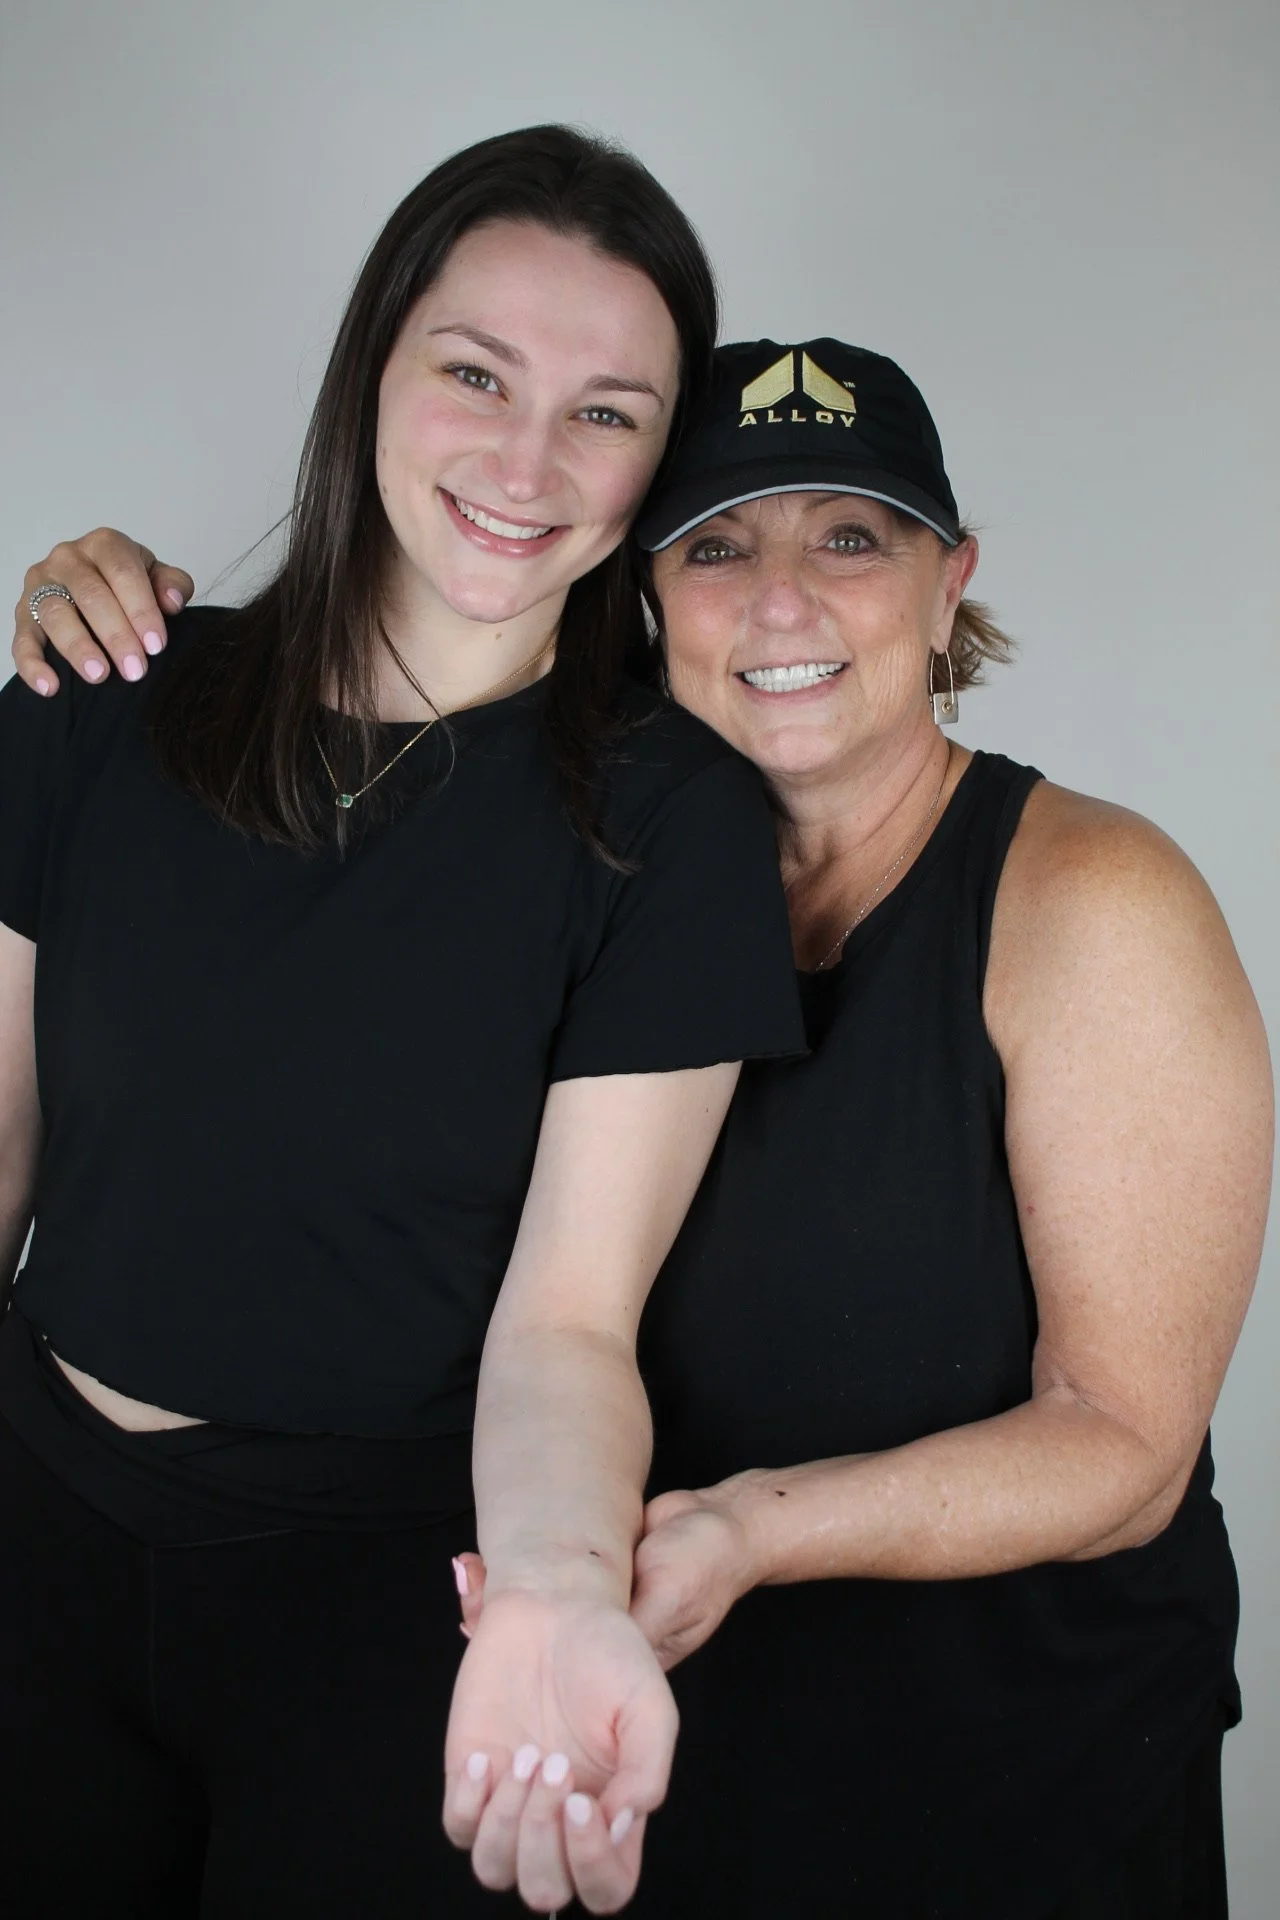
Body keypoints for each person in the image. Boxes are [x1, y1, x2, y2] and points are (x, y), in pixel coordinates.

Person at [13, 336, 1272, 1914]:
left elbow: (1125, 1445)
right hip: (627, 1749)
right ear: (648, 592)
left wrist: (744, 1534)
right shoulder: (570, 852)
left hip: (1008, 1766)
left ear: (950, 586)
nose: (782, 602)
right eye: (718, 547)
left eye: (851, 539)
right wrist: (115, 623)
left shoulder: (1090, 902)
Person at [0, 130, 810, 1920]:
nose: (528, 464)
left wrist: (553, 1588)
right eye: (477, 375)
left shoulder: (673, 825)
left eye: (606, 413)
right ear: (374, 363)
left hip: (377, 1608)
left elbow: (571, 1322)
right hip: (27, 1532)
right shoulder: (105, 700)